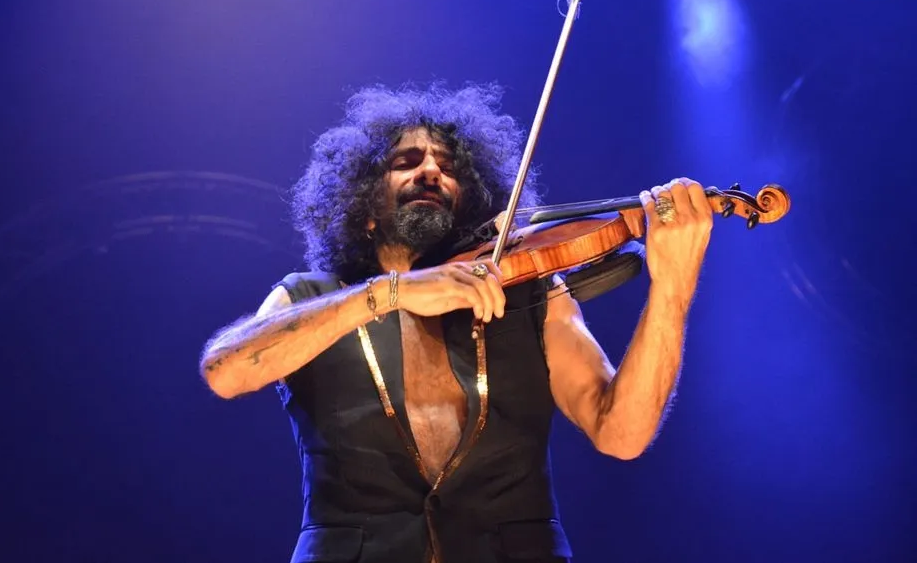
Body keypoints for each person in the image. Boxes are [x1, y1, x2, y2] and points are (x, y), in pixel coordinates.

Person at [199, 83, 714, 563]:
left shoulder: (533, 294)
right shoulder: (313, 297)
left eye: (449, 167)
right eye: (406, 161)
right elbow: (227, 370)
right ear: (365, 207)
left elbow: (620, 434)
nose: (431, 172)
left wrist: (673, 290)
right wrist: (389, 293)